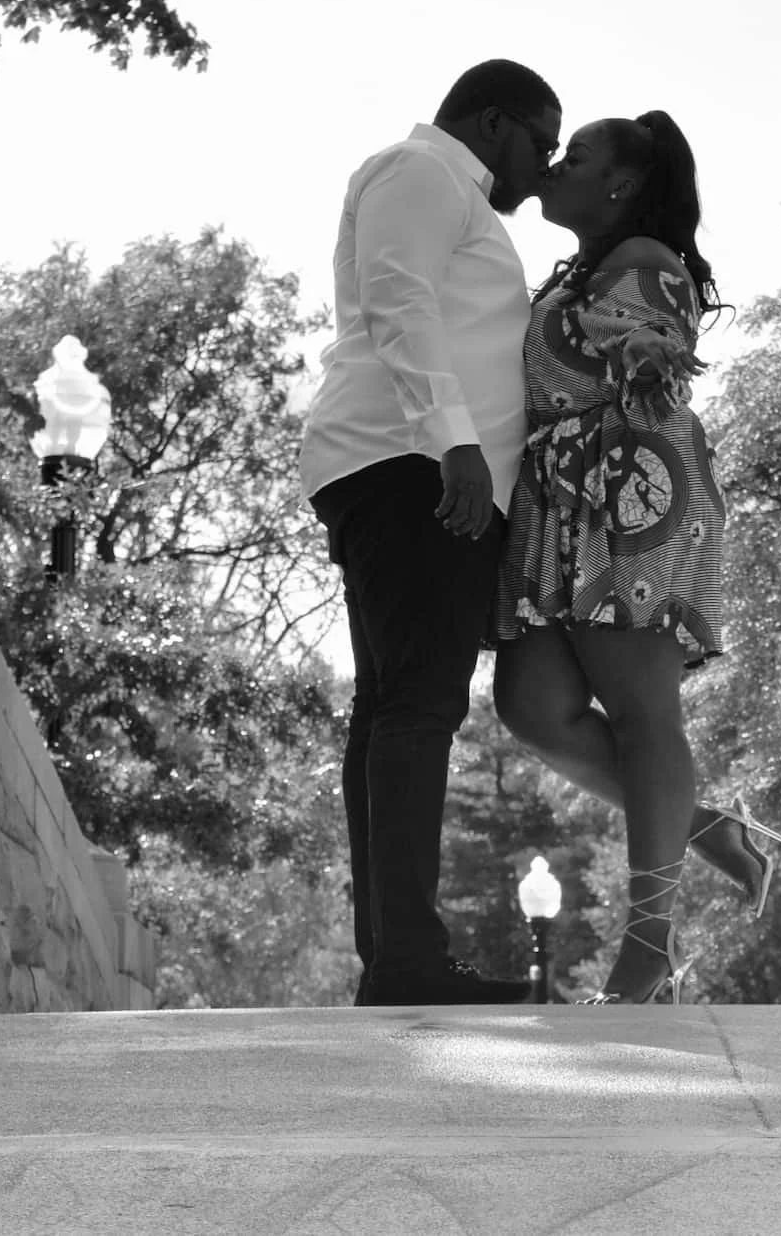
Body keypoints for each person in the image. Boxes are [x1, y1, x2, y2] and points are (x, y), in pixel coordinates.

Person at [491, 110, 779, 1005]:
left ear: (617, 183)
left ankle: (648, 940)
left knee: (645, 711)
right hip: (561, 495)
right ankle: (710, 829)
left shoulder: (647, 262)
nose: (556, 164)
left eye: (573, 157)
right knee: (531, 702)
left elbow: (630, 369)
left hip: (627, 489)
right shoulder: (585, 267)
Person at [300, 60, 563, 1006]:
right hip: (411, 467)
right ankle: (408, 958)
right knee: (416, 708)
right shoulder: (419, 173)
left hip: (412, 467)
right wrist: (455, 443)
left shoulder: (457, 191)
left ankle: (395, 955)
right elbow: (397, 298)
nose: (547, 165)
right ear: (491, 123)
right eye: (542, 141)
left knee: (392, 708)